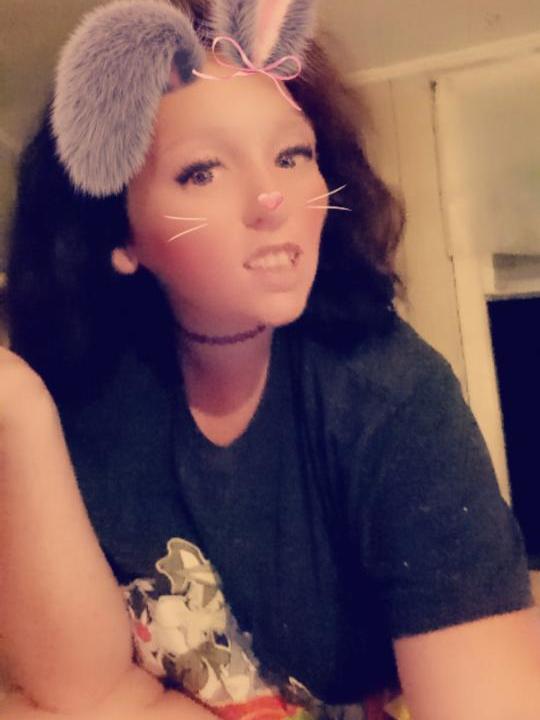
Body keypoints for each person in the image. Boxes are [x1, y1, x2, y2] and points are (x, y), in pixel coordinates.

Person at [2, 1, 540, 719]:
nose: (271, 198)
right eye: (202, 171)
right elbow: (82, 691)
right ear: (119, 235)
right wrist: (19, 410)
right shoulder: (90, 397)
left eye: (292, 155)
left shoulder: (393, 395)